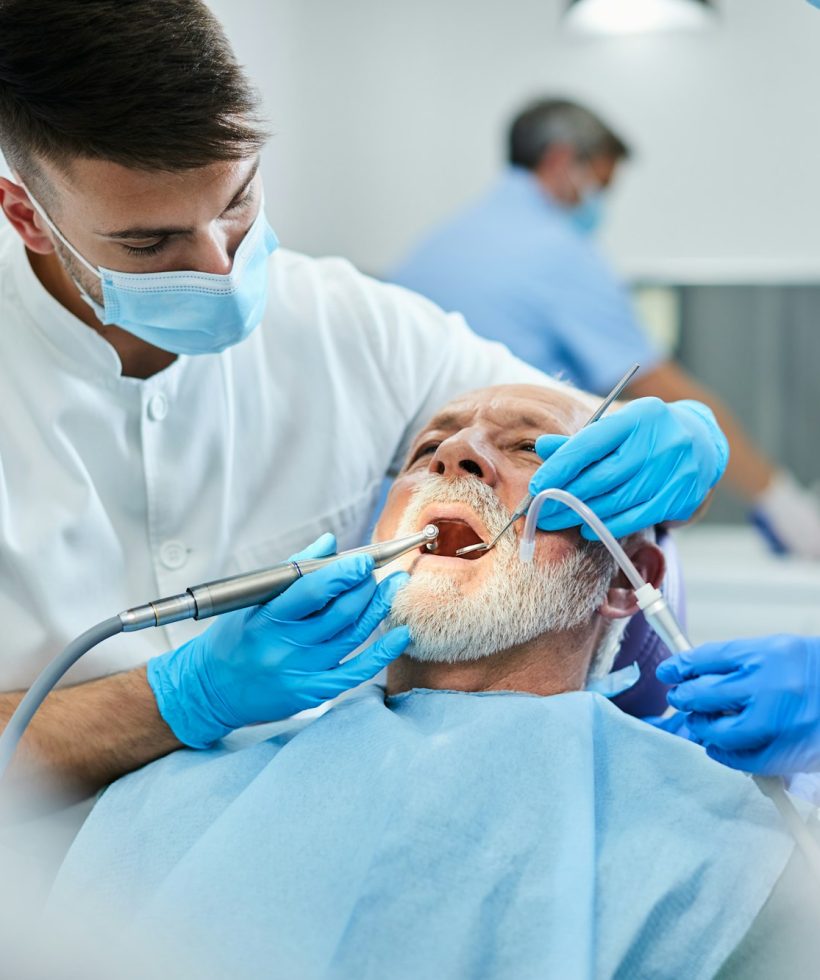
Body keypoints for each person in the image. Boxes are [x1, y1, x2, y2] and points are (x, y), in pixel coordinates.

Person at [0, 0, 730, 802]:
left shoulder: (357, 327)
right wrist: (179, 700)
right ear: (27, 215)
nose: (220, 264)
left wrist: (671, 439)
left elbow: (573, 433)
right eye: (152, 243)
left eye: (238, 201)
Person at [50, 384, 820, 980]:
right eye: (428, 449)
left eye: (529, 448)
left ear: (628, 580)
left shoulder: (717, 847)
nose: (458, 457)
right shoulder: (176, 794)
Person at [391, 98, 820, 558]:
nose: (599, 201)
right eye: (600, 182)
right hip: (510, 516)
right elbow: (661, 385)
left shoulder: (435, 246)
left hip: (410, 505)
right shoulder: (558, 251)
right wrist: (778, 501)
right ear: (560, 161)